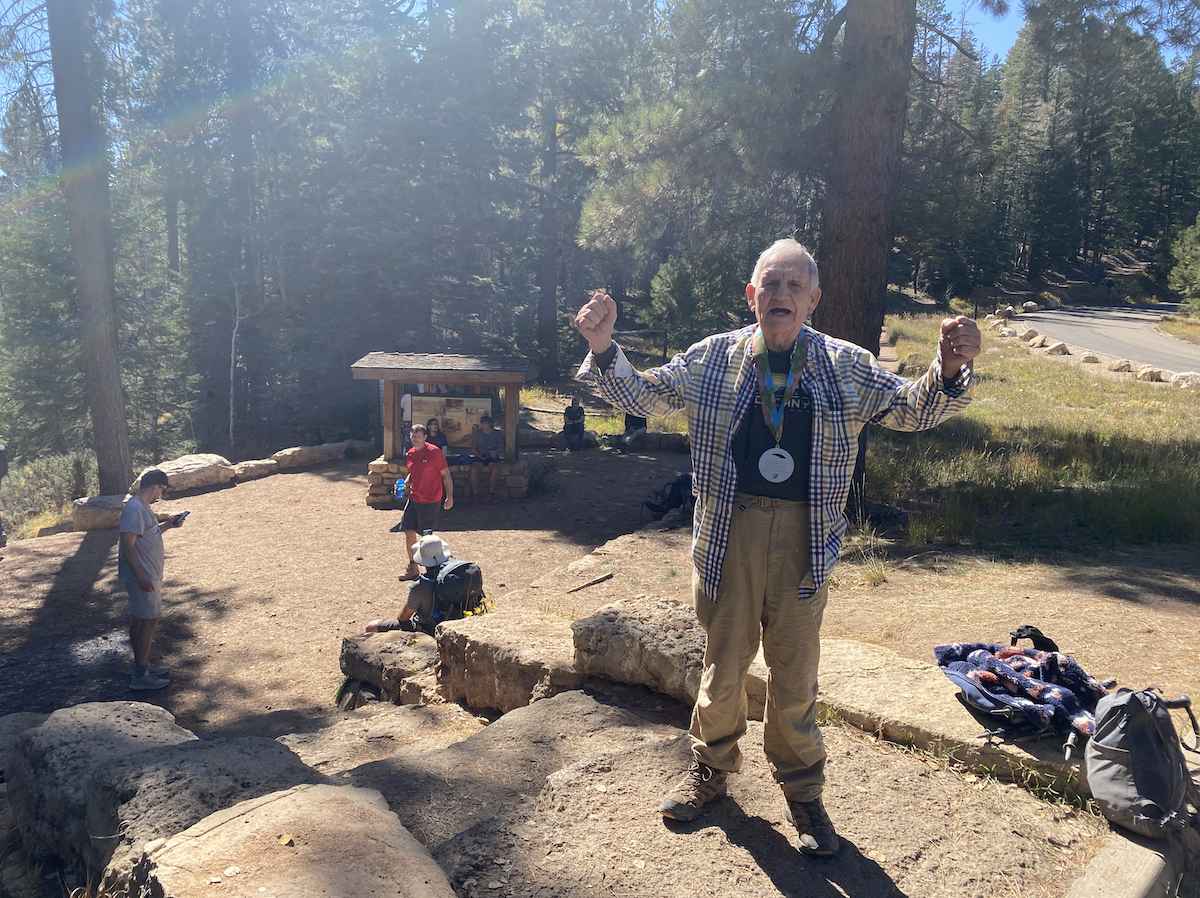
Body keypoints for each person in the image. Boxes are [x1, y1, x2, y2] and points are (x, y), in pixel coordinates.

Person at [574, 238, 980, 856]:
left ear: (814, 299)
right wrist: (603, 347)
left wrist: (948, 370)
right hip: (728, 534)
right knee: (724, 661)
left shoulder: (845, 364)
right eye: (771, 284)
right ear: (752, 296)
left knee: (795, 672)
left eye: (794, 286)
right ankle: (710, 771)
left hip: (804, 536)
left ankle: (803, 792)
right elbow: (646, 397)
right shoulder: (714, 358)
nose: (781, 295)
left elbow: (910, 411)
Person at [118, 469, 187, 690]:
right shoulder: (135, 508)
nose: (161, 495)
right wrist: (140, 575)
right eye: (162, 490)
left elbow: (147, 534)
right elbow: (127, 545)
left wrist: (168, 525)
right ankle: (140, 676)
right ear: (155, 487)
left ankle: (143, 665)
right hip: (143, 575)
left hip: (148, 573)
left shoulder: (142, 508)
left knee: (141, 619)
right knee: (149, 621)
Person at [398, 424, 454, 581]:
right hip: (414, 498)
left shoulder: (434, 452)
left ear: (425, 437)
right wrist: (405, 484)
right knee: (408, 530)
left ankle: (438, 567)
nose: (415, 438)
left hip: (431, 499)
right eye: (412, 436)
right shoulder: (410, 453)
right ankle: (413, 566)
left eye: (418, 435)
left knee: (426, 537)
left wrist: (450, 496)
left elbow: (446, 475)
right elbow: (412, 474)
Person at [365, 532, 451, 633]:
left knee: (371, 627)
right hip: (451, 625)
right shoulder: (456, 576)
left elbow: (403, 618)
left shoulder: (420, 586)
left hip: (426, 630)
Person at [469, 416, 504, 505]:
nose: (484, 425)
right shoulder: (478, 434)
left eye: (486, 423)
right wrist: (478, 455)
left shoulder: (496, 434)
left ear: (490, 424)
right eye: (482, 424)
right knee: (474, 469)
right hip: (480, 456)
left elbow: (501, 447)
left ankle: (490, 492)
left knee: (496, 469)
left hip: (492, 457)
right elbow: (473, 448)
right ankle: (475, 494)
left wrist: (496, 452)